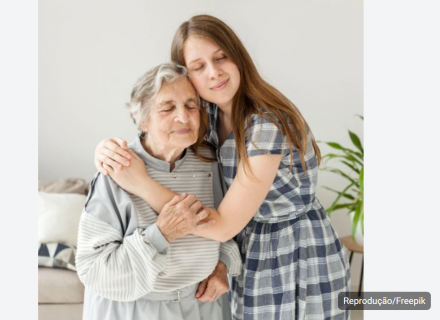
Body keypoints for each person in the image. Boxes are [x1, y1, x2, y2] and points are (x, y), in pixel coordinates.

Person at [94, 15, 351, 320]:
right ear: (187, 77)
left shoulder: (265, 126)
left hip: (296, 250)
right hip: (250, 248)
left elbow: (224, 224)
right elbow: (156, 133)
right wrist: (106, 149)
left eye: (221, 57)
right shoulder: (210, 119)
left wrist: (140, 183)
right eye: (199, 67)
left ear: (238, 56)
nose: (214, 72)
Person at [76, 62, 242, 320]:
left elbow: (228, 230)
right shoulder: (116, 169)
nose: (184, 117)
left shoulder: (211, 161)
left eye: (190, 105)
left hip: (200, 306)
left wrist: (222, 265)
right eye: (167, 108)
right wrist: (161, 234)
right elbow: (93, 270)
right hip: (132, 310)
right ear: (142, 120)